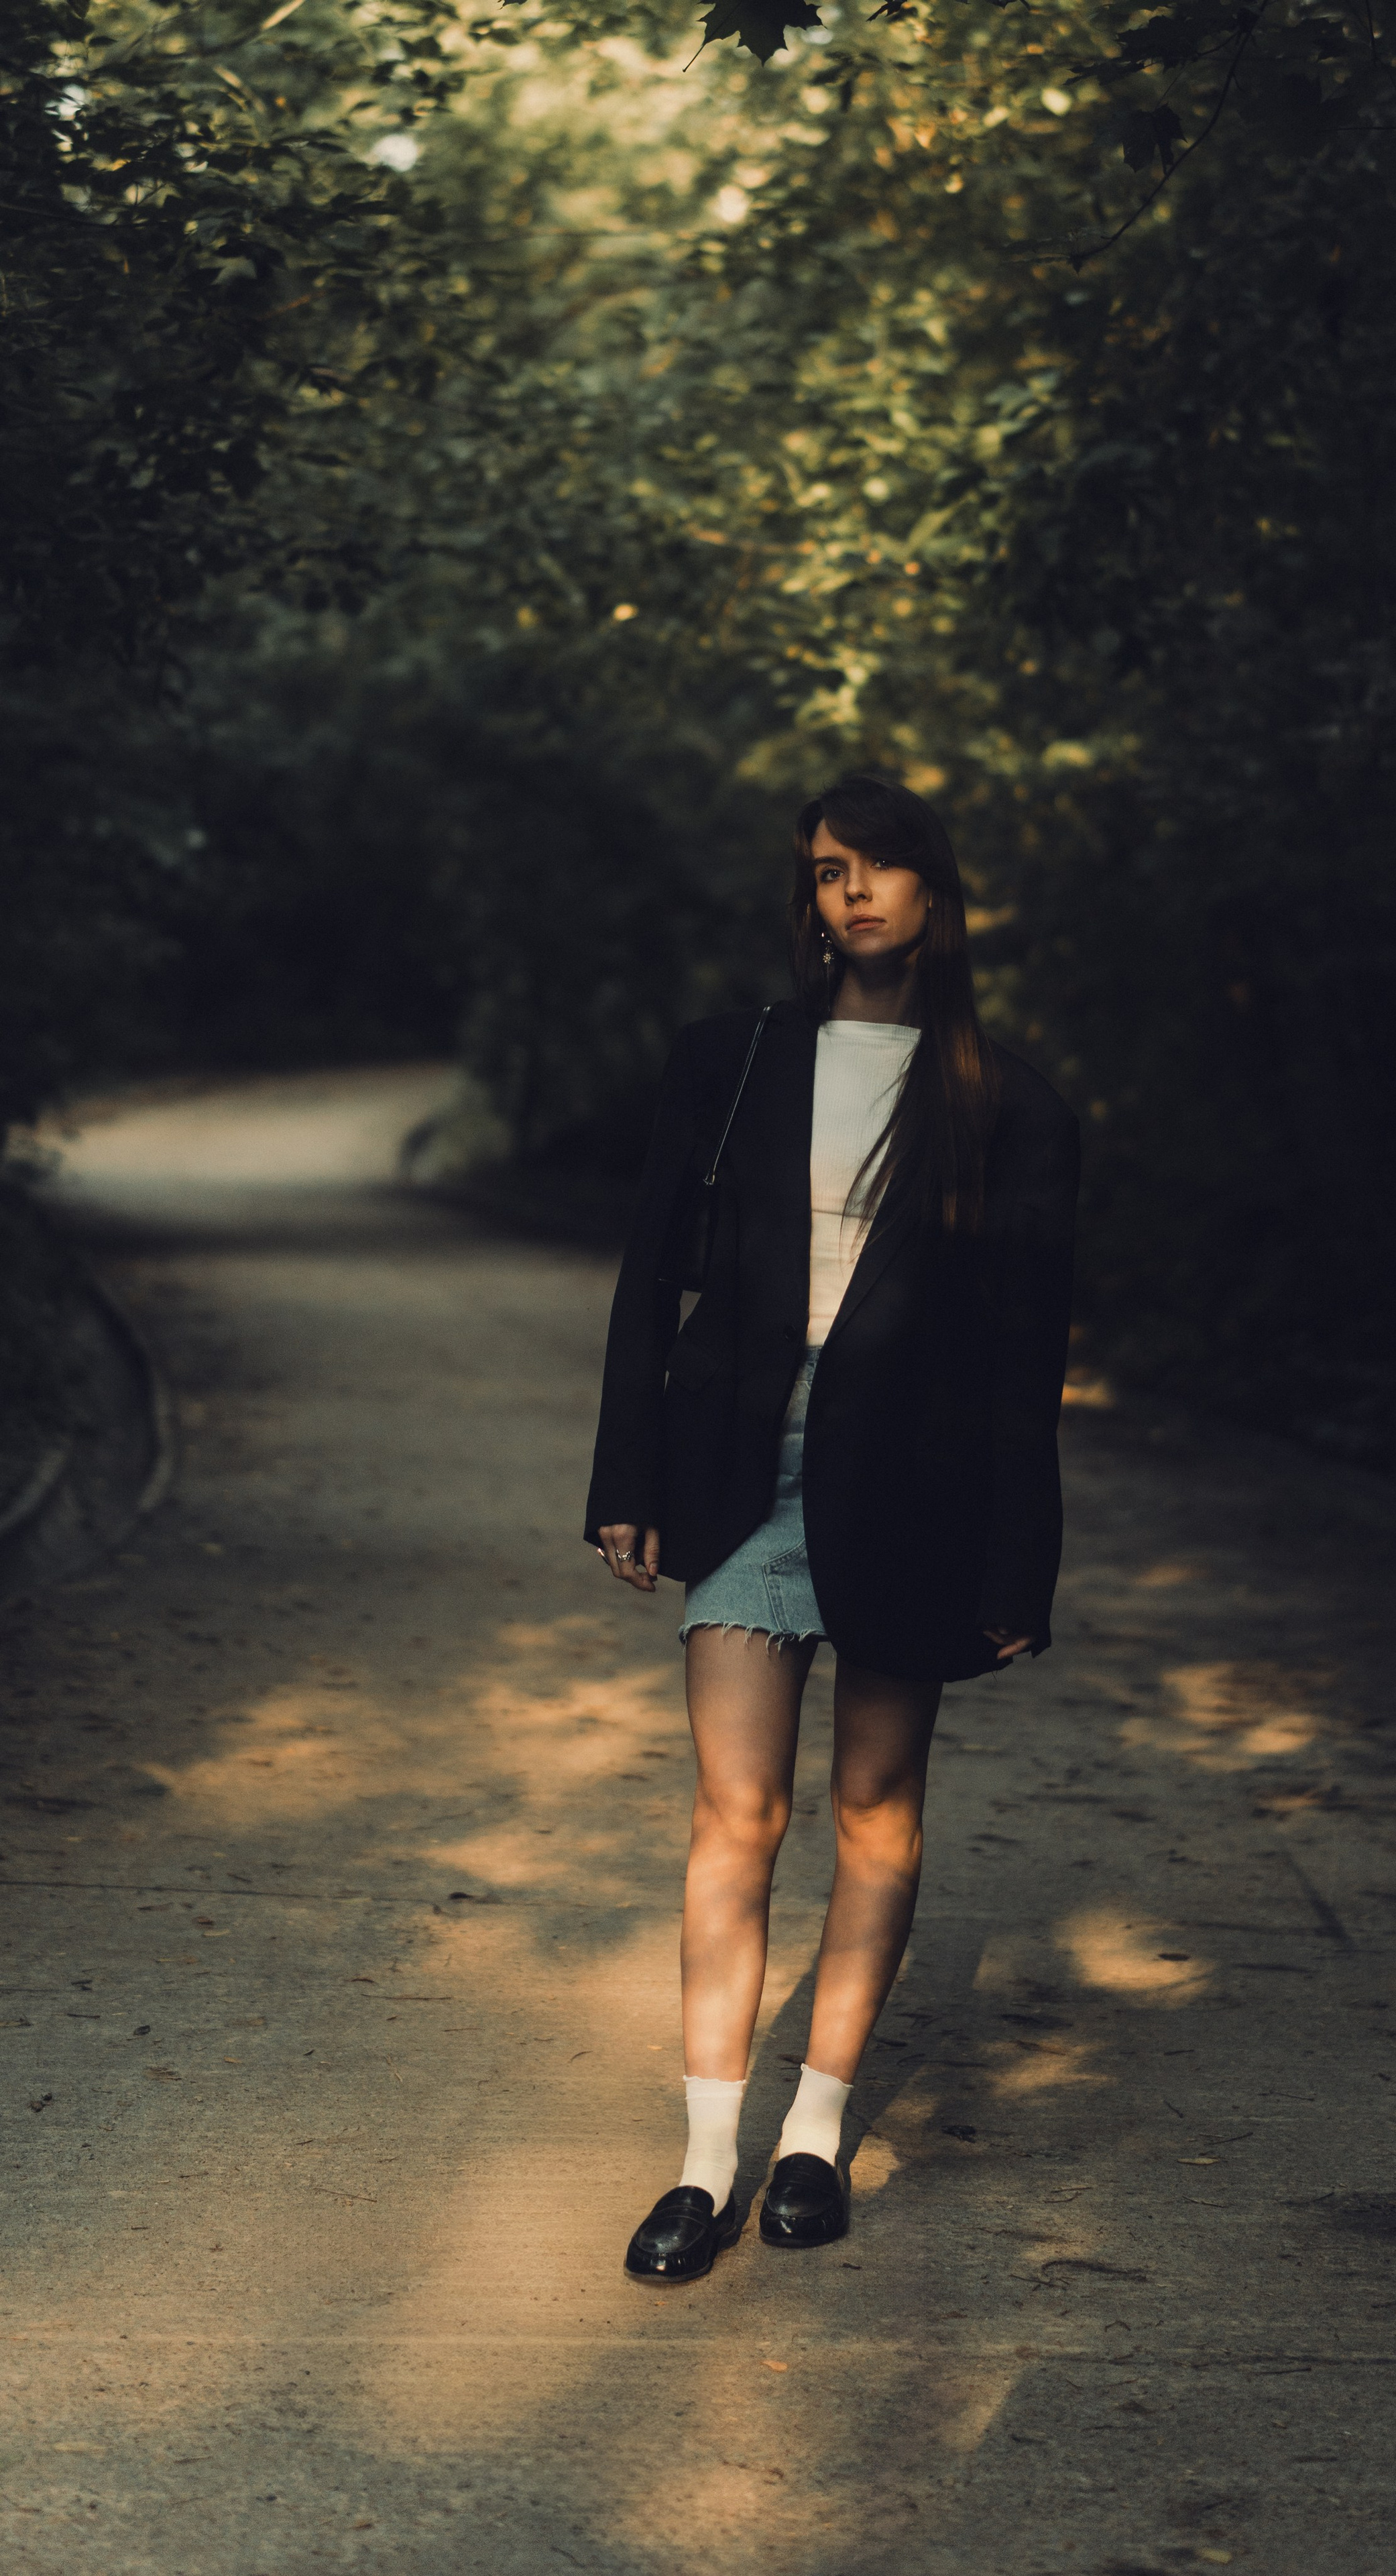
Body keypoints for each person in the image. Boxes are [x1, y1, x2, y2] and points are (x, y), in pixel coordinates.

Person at [585, 773, 1079, 2283]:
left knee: (877, 1814)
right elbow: (648, 1272)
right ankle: (701, 2161)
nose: (849, 893)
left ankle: (814, 2135)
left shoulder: (1006, 1097)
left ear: (935, 890)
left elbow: (1022, 1352)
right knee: (735, 1818)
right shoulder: (729, 1061)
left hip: (913, 1489)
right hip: (743, 1474)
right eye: (822, 872)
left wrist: (1019, 1553)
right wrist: (626, 1474)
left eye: (875, 868)